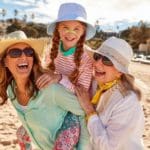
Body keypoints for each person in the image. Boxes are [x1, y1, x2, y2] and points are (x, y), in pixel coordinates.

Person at [0, 30, 90, 150]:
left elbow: (82, 112)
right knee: (20, 133)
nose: (23, 56)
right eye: (15, 53)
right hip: (41, 145)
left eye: (29, 52)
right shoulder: (10, 89)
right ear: (5, 62)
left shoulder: (50, 89)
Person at [35, 2, 96, 149]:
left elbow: (81, 92)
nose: (71, 33)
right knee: (24, 132)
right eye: (65, 27)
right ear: (58, 30)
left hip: (74, 108)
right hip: (53, 102)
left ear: (83, 32)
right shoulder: (52, 49)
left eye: (77, 28)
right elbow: (46, 72)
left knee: (66, 142)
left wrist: (59, 78)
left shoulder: (86, 58)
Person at [75, 37, 145, 150]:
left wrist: (89, 109)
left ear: (120, 72)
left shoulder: (128, 102)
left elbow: (108, 147)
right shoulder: (95, 83)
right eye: (97, 57)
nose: (97, 63)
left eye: (107, 60)